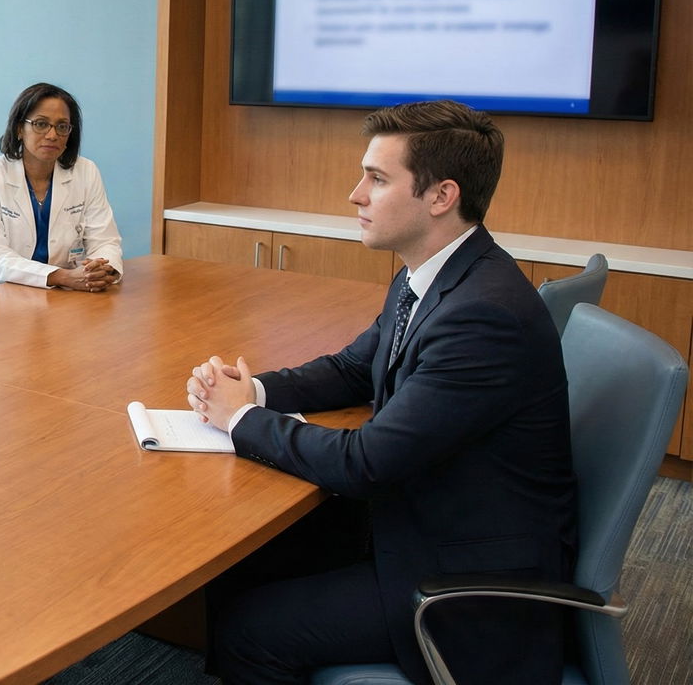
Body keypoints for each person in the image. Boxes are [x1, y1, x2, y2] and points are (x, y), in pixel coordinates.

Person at [183, 100, 576, 684]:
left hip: (464, 580)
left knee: (248, 628)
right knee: (246, 565)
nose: (355, 194)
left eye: (377, 178)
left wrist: (241, 421)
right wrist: (256, 390)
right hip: (427, 520)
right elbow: (353, 368)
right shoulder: (434, 273)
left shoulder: (483, 315)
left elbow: (367, 463)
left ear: (441, 196)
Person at [0, 82, 122, 290]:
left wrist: (101, 269)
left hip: (64, 294)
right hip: (0, 290)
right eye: (41, 124)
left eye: (62, 126)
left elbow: (105, 240)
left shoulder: (85, 171)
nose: (52, 135)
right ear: (20, 128)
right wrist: (62, 277)